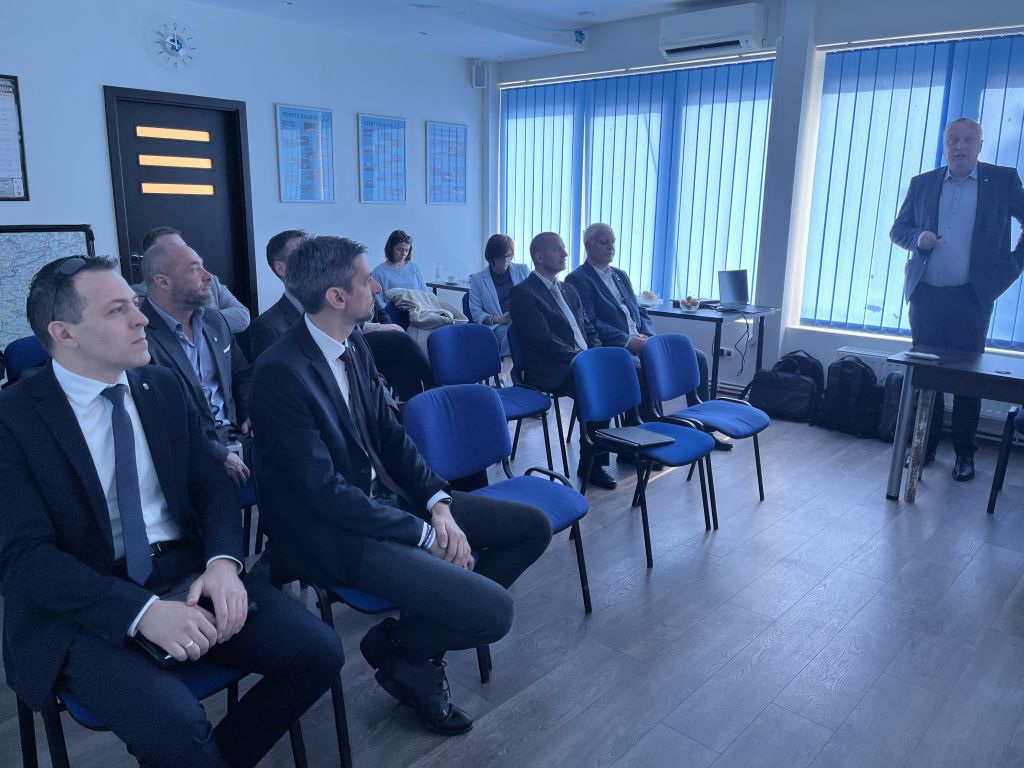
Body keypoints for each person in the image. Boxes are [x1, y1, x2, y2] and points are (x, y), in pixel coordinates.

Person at [0, 256, 343, 768]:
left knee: (319, 653)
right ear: (64, 333)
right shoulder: (12, 419)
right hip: (80, 605)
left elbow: (211, 483)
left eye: (134, 304)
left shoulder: (158, 386)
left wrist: (223, 563)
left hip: (185, 572)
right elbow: (23, 560)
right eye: (117, 310)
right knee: (178, 727)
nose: (141, 318)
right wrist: (140, 613)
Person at [250, 235, 552, 735]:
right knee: (493, 614)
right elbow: (324, 493)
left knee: (531, 528)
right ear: (336, 297)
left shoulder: (354, 344)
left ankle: (405, 650)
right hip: (334, 532)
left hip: (387, 501)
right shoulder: (280, 372)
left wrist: (438, 503)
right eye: (366, 279)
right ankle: (413, 653)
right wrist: (426, 535)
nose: (376, 287)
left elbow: (391, 436)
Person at [891, 117, 1024, 481]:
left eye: (968, 140)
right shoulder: (922, 183)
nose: (960, 146)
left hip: (972, 298)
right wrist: (918, 238)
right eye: (953, 140)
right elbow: (898, 230)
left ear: (980, 146)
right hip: (926, 297)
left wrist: (1013, 265)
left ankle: (965, 453)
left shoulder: (1002, 181)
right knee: (926, 376)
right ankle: (924, 446)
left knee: (969, 379)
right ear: (945, 145)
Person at [565, 223, 720, 448]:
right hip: (616, 348)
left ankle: (703, 426)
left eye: (613, 241)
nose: (611, 246)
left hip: (642, 340)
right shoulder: (578, 279)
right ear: (588, 246)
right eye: (604, 242)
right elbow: (590, 321)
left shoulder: (620, 275)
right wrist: (627, 341)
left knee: (698, 358)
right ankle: (643, 438)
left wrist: (649, 336)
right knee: (641, 370)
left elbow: (640, 310)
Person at [253, 229, 433, 400]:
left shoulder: (354, 338)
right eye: (302, 252)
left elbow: (375, 396)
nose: (313, 256)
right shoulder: (269, 329)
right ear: (281, 268)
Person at [139, 237, 252, 485]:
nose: (208, 276)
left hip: (239, 439)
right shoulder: (139, 334)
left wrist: (249, 411)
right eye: (194, 269)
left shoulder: (215, 321)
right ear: (163, 281)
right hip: (187, 457)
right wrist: (215, 452)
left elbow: (242, 374)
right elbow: (154, 417)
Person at [508, 232, 617, 490]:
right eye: (558, 249)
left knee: (617, 372)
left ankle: (618, 446)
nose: (565, 254)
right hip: (549, 367)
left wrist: (597, 353)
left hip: (581, 359)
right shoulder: (522, 293)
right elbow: (543, 340)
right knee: (594, 382)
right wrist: (583, 359)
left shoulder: (569, 289)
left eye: (564, 249)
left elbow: (588, 328)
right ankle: (592, 464)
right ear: (539, 257)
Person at [134, 227, 251, 334]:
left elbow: (242, 317)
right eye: (173, 248)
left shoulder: (212, 282)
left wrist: (195, 322)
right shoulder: (138, 295)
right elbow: (163, 327)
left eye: (184, 246)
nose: (184, 252)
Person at [467, 234, 530, 377]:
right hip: (498, 326)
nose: (508, 260)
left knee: (516, 330)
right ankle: (511, 376)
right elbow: (476, 311)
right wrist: (497, 319)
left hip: (523, 321)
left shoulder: (523, 270)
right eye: (503, 257)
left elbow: (533, 297)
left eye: (510, 256)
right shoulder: (478, 279)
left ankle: (506, 374)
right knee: (512, 333)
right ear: (492, 257)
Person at [249, 229, 306, 360]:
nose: (313, 260)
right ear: (281, 268)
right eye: (302, 254)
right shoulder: (267, 327)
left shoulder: (335, 312)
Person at [371, 229, 428, 310]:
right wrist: (391, 313)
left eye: (407, 250)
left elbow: (425, 293)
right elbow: (379, 301)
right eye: (400, 250)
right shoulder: (379, 272)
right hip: (394, 313)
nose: (404, 254)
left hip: (419, 310)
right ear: (391, 249)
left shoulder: (414, 268)